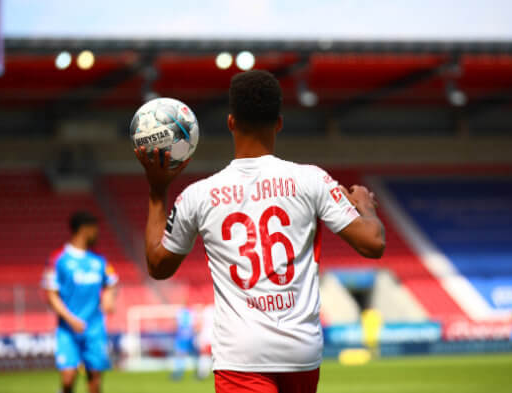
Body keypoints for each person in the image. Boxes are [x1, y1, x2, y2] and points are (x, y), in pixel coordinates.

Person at [135, 70, 385, 393]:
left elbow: (157, 264)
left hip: (240, 356)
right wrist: (366, 205)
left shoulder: (198, 195)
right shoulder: (311, 179)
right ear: (279, 123)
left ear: (230, 122)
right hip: (301, 352)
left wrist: (157, 192)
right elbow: (373, 243)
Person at [42, 212, 118, 393]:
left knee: (95, 382)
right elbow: (51, 295)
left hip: (95, 328)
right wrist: (71, 319)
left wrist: (108, 299)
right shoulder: (58, 260)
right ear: (84, 230)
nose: (97, 234)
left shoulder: (99, 261)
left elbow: (111, 283)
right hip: (68, 329)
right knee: (68, 378)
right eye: (95, 229)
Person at [171, 302, 195, 380]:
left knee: (180, 355)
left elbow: (177, 324)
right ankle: (197, 372)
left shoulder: (181, 312)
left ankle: (179, 373)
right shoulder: (190, 312)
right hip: (189, 336)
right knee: (190, 355)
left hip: (183, 336)